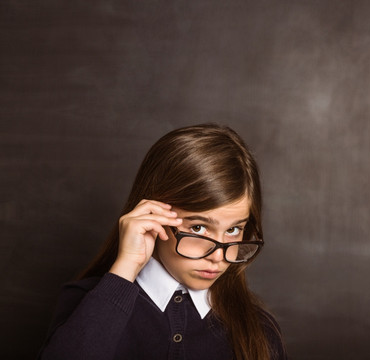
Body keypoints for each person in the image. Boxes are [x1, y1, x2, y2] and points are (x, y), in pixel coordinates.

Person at [39, 124, 287, 360]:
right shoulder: (86, 303)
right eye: (198, 228)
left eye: (233, 230)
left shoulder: (259, 329)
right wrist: (126, 267)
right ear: (152, 215)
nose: (219, 257)